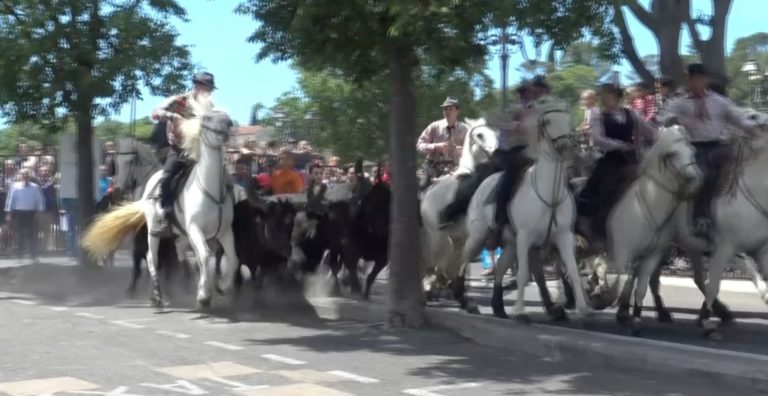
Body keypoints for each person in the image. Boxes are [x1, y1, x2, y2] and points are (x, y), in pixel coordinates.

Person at [662, 63, 756, 239]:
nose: (697, 82)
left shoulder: (719, 101)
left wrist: (752, 127)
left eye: (701, 78)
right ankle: (701, 217)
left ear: (707, 80)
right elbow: (665, 118)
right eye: (693, 78)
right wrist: (679, 119)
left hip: (719, 145)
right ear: (688, 80)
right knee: (702, 175)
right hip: (694, 147)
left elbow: (737, 116)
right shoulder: (680, 103)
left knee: (744, 168)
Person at [577, 83, 657, 238]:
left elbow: (649, 131)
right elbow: (598, 138)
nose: (604, 99)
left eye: (607, 95)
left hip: (632, 158)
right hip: (612, 158)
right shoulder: (598, 115)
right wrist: (619, 146)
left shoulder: (631, 113)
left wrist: (665, 137)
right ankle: (597, 228)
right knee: (603, 189)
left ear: (616, 97)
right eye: (603, 96)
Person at [151, 72, 216, 231]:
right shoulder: (179, 100)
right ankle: (164, 215)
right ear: (197, 86)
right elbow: (155, 113)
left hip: (203, 153)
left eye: (210, 89)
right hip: (180, 150)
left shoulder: (211, 107)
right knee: (167, 177)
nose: (208, 92)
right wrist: (173, 116)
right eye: (206, 87)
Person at [494, 76, 551, 227]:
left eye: (529, 91)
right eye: (523, 92)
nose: (526, 94)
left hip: (541, 151)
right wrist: (517, 125)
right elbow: (502, 125)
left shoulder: (539, 108)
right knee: (510, 177)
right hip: (517, 150)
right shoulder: (513, 109)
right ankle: (499, 219)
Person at [417, 97, 468, 188]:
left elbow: (472, 150)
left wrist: (464, 151)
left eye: (450, 109)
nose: (447, 111)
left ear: (457, 111)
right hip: (433, 167)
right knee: (422, 186)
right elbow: (419, 145)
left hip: (455, 169)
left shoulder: (465, 129)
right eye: (445, 109)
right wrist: (435, 146)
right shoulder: (434, 126)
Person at [5, 168, 45, 263]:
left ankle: (33, 256)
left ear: (29, 176)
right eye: (23, 174)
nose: (25, 176)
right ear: (20, 175)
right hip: (19, 213)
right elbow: (10, 200)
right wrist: (8, 212)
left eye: (27, 174)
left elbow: (40, 200)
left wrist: (40, 211)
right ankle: (19, 256)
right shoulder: (15, 186)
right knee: (19, 235)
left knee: (32, 235)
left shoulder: (35, 187)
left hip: (31, 213)